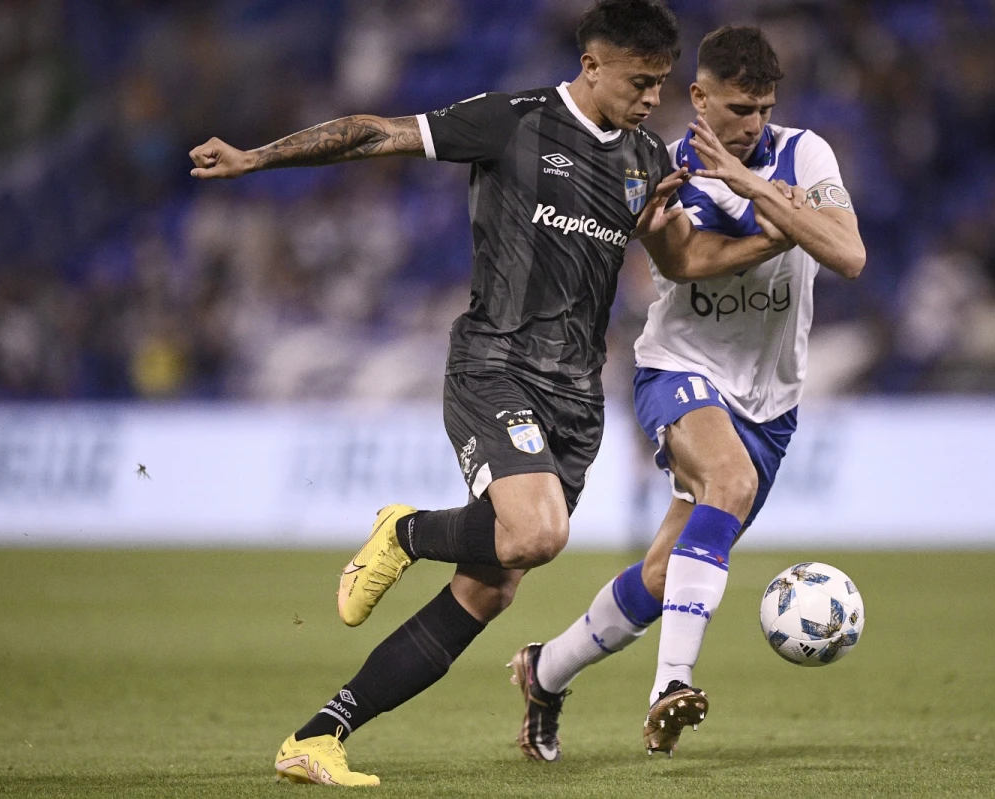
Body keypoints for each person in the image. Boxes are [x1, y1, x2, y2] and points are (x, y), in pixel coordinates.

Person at [190, 1, 805, 786]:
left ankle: (319, 735)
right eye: (639, 82)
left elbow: (680, 259)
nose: (654, 98)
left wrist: (774, 236)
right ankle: (407, 531)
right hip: (496, 364)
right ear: (592, 65)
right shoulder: (511, 120)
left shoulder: (649, 158)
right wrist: (255, 159)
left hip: (577, 398)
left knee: (491, 586)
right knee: (535, 533)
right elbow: (378, 132)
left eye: (661, 83)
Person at [509, 25, 866, 760]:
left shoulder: (807, 153)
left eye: (764, 107)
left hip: (771, 402)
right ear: (699, 98)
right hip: (679, 366)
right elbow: (683, 263)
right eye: (739, 108)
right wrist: (776, 227)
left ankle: (544, 671)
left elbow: (850, 254)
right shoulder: (659, 167)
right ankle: (671, 683)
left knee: (668, 571)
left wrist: (757, 188)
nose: (754, 123)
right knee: (727, 480)